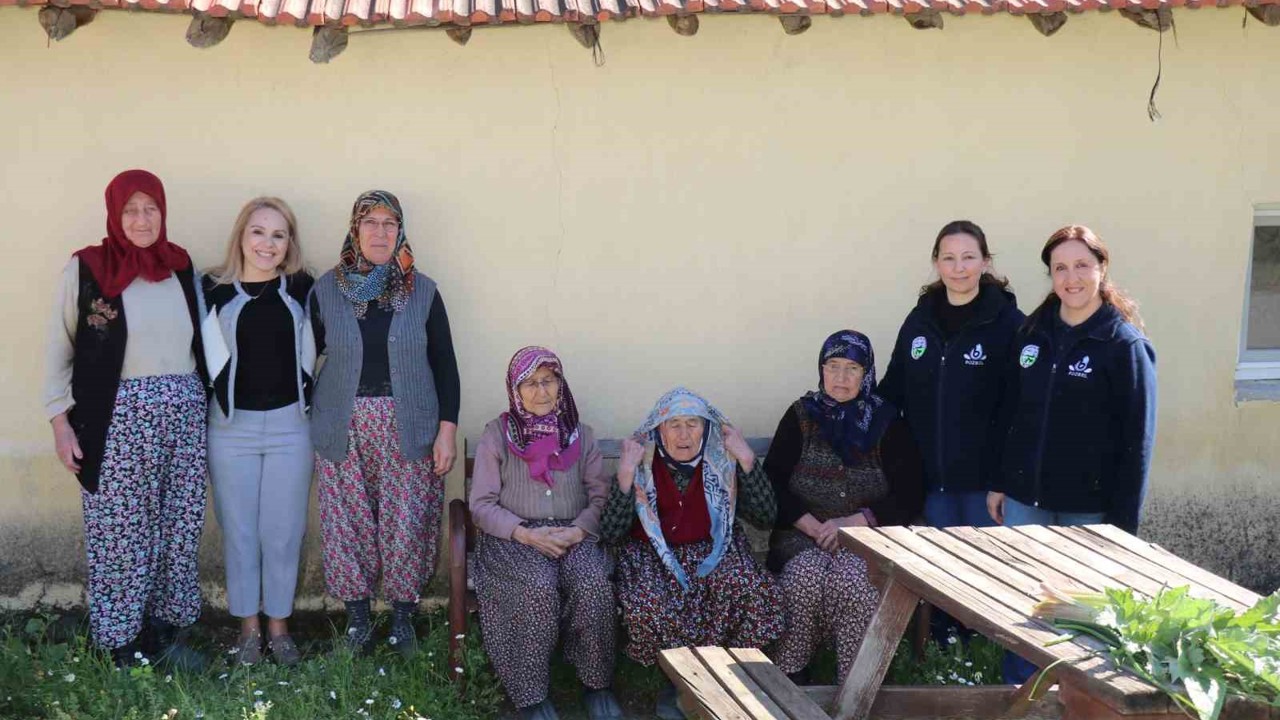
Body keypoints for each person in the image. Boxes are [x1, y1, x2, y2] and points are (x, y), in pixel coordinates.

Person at [44, 169, 210, 669]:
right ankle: (120, 639)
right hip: (117, 417)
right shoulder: (88, 268)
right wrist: (60, 422)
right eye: (131, 210)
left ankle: (165, 629)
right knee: (121, 531)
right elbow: (60, 346)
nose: (142, 219)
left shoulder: (180, 266)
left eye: (151, 208)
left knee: (179, 524)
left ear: (163, 211)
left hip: (183, 410)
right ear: (115, 215)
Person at [989, 224, 1157, 682]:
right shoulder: (1032, 335)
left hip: (1091, 512)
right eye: (1060, 268)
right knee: (1025, 610)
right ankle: (1020, 699)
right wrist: (1003, 480)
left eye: (1082, 265)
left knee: (1082, 622)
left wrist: (1122, 530)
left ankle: (1079, 701)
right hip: (1026, 503)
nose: (1072, 278)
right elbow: (1013, 415)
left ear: (1102, 269)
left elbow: (1136, 445)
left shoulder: (1124, 347)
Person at [309, 190, 460, 656]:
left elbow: (445, 364)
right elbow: (302, 359)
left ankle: (402, 621)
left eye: (389, 223)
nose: (380, 232)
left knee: (407, 524)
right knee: (346, 524)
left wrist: (446, 430)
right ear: (354, 229)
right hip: (342, 427)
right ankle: (357, 622)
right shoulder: (325, 290)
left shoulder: (424, 291)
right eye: (370, 222)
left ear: (401, 232)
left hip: (409, 426)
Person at [600, 387, 783, 720]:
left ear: (706, 428)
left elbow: (766, 516)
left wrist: (746, 459)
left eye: (693, 424)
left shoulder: (720, 462)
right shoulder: (642, 463)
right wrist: (625, 475)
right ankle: (677, 682)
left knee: (748, 587)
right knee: (650, 601)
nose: (684, 435)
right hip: (653, 554)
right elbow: (611, 532)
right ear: (659, 430)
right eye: (674, 425)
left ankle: (728, 676)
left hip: (712, 548)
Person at [468, 346, 621, 720]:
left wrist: (579, 530)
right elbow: (481, 505)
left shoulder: (581, 436)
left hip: (574, 534)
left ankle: (596, 684)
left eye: (548, 381)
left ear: (560, 385)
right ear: (515, 390)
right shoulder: (497, 435)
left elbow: (601, 496)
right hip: (513, 537)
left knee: (592, 583)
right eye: (530, 383)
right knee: (535, 587)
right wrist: (524, 534)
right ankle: (530, 694)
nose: (541, 391)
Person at [764, 330, 924, 684]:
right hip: (803, 536)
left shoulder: (887, 421)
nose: (840, 377)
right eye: (832, 366)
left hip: (868, 537)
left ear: (866, 373)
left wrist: (859, 521)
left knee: (851, 579)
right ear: (821, 369)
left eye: (852, 368)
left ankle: (854, 684)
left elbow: (910, 491)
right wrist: (810, 525)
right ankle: (792, 677)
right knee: (804, 575)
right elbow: (772, 481)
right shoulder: (801, 416)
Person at [200, 197, 315, 666]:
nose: (267, 244)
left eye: (278, 234)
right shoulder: (211, 289)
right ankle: (248, 630)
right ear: (241, 236)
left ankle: (280, 627)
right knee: (241, 530)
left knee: (284, 531)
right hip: (231, 429)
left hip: (292, 426)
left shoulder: (304, 288)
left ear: (289, 244)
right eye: (258, 232)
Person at [879, 220, 1023, 528]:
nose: (959, 268)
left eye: (969, 257)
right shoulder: (918, 322)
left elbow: (1020, 410)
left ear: (985, 261)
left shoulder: (1010, 325)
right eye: (949, 258)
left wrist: (1004, 481)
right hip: (928, 487)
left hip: (986, 490)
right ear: (936, 262)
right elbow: (891, 392)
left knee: (986, 573)